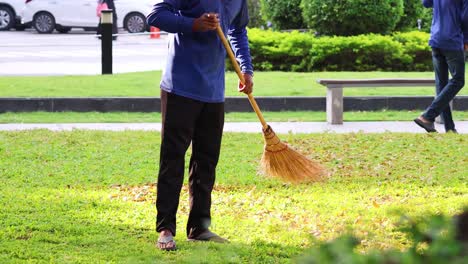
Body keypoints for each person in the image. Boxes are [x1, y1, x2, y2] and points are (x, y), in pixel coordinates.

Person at [146, 0, 254, 251]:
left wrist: (246, 68)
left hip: (214, 90)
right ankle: (165, 229)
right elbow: (155, 15)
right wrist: (193, 24)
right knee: (173, 159)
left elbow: (238, 30)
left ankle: (199, 227)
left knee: (206, 161)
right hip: (180, 87)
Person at [415, 0, 468, 133]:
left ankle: (449, 128)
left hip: (436, 39)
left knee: (442, 84)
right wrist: (466, 39)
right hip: (452, 40)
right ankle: (427, 116)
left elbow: (426, 3)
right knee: (458, 80)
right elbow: (465, 18)